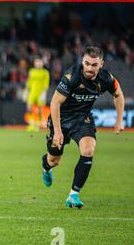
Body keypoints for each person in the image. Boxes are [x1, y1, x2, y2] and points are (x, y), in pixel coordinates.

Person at [41, 46, 124, 208]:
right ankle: (46, 167)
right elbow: (55, 102)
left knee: (88, 150)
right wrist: (57, 132)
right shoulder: (71, 76)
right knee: (54, 160)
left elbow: (118, 94)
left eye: (94, 65)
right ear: (82, 62)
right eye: (87, 63)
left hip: (82, 119)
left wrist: (119, 120)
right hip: (61, 119)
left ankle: (73, 195)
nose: (89, 68)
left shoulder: (106, 78)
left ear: (101, 64)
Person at [25, 57, 50, 131]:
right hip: (32, 92)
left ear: (42, 63)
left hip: (41, 92)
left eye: (40, 62)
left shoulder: (45, 72)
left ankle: (39, 125)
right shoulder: (31, 71)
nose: (38, 64)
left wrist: (44, 93)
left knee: (39, 110)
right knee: (29, 107)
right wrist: (26, 90)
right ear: (34, 63)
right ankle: (31, 124)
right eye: (37, 62)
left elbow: (46, 84)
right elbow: (29, 81)